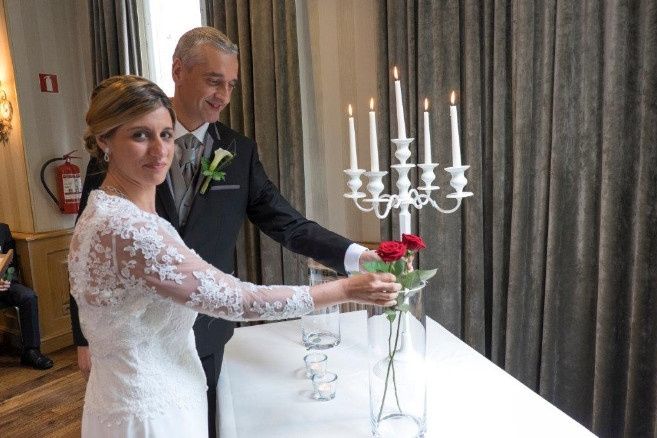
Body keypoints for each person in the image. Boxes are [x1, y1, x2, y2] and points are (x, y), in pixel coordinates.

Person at [69, 27, 381, 436]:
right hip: (135, 351)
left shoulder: (238, 150)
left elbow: (287, 222)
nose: (223, 95)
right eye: (214, 81)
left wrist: (357, 256)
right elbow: (89, 257)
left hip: (206, 333)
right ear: (178, 70)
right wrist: (86, 336)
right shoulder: (118, 147)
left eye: (230, 85)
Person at [0, 223, 54, 370]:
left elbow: (11, 264)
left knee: (28, 296)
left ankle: (31, 351)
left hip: (4, 284)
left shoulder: (3, 229)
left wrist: (7, 279)